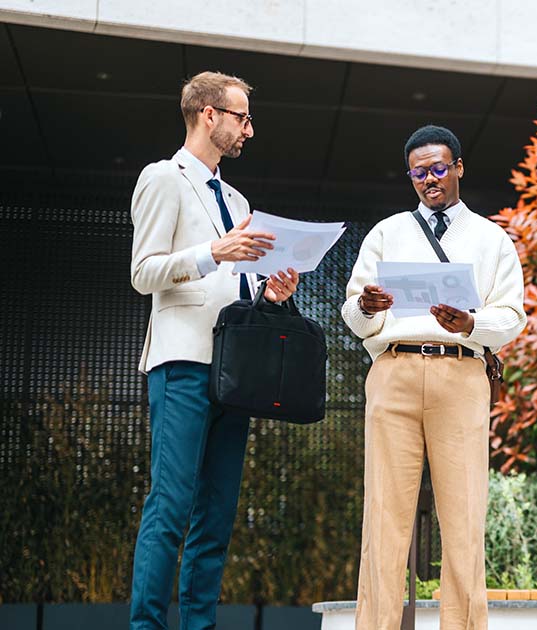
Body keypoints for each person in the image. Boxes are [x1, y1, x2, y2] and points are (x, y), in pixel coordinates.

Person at [128, 71, 299, 630]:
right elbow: (143, 272)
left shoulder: (239, 198)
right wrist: (212, 251)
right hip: (181, 365)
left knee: (217, 517)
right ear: (209, 115)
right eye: (241, 116)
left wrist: (268, 291)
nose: (249, 128)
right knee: (171, 507)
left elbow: (236, 282)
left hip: (234, 373)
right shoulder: (162, 178)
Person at [342, 124, 527, 629]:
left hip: (461, 372)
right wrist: (366, 305)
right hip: (394, 369)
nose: (430, 180)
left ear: (459, 168)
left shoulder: (492, 238)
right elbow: (356, 318)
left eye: (439, 169)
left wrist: (471, 323)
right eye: (419, 172)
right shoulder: (387, 232)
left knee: (464, 518)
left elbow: (512, 316)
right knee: (384, 518)